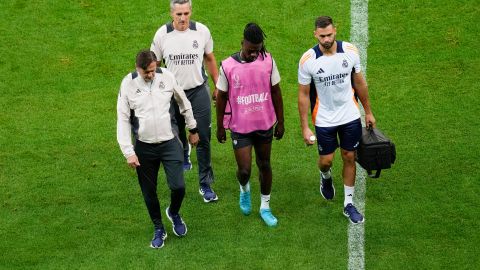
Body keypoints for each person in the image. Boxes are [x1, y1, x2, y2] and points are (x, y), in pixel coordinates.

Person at [117, 50, 199, 248]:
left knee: (178, 186)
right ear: (138, 69)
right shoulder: (128, 83)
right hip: (144, 147)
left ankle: (174, 212)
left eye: (153, 70)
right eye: (147, 72)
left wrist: (193, 127)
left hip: (170, 142)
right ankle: (158, 227)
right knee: (149, 192)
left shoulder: (167, 76)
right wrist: (129, 151)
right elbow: (123, 118)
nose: (151, 75)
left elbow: (184, 103)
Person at [297, 16, 376, 224]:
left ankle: (348, 204)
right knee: (326, 161)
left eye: (329, 35)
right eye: (322, 36)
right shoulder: (308, 60)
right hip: (324, 119)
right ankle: (325, 177)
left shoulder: (350, 52)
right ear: (315, 34)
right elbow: (303, 95)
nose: (326, 39)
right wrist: (305, 127)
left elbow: (360, 83)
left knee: (349, 157)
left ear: (336, 31)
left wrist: (368, 111)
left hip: (350, 115)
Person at [215, 23, 285, 227]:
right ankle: (244, 189)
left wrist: (280, 121)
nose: (255, 54)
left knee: (264, 164)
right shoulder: (227, 66)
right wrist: (220, 126)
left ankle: (265, 207)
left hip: (264, 123)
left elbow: (276, 92)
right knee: (244, 170)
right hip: (240, 126)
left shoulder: (268, 61)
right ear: (242, 43)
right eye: (251, 50)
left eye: (259, 49)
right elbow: (221, 97)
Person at [150, 0, 219, 203]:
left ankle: (205, 184)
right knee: (175, 132)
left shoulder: (202, 31)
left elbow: (210, 58)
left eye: (186, 13)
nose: (183, 18)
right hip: (172, 94)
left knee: (204, 137)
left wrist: (217, 86)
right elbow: (154, 65)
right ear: (172, 14)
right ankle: (183, 153)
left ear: (191, 12)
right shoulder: (162, 34)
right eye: (179, 14)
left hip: (198, 91)